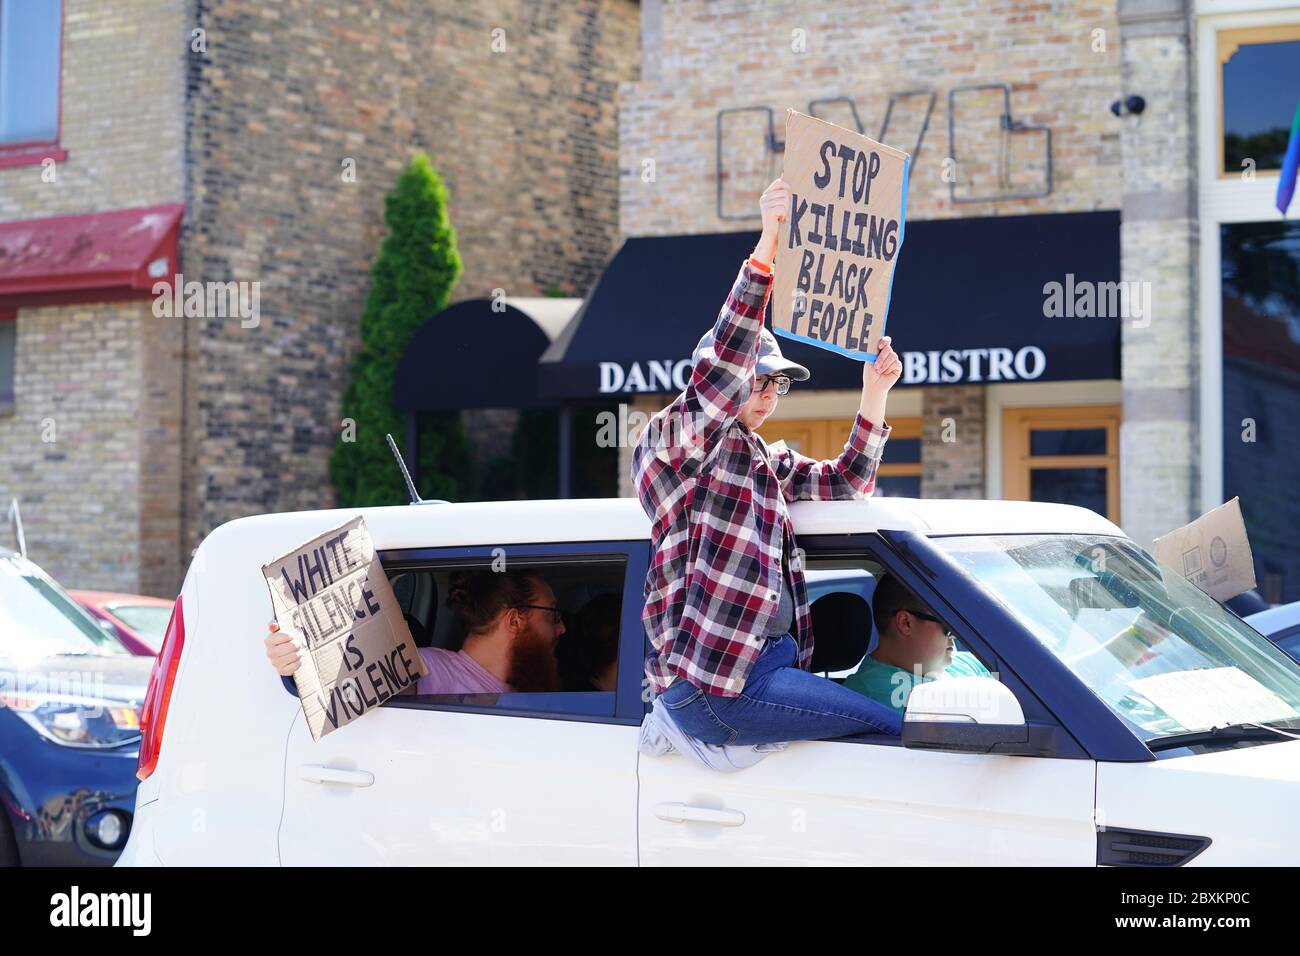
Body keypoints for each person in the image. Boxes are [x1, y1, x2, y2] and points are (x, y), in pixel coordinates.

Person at [633, 176, 905, 747]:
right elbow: (725, 367)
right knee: (892, 730)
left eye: (778, 384)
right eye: (759, 380)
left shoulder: (760, 457)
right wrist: (769, 244)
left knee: (886, 728)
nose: (766, 393)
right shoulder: (674, 439)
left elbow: (847, 484)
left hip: (768, 667)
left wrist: (874, 393)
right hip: (716, 683)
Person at [265, 569, 566, 696]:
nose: (562, 628)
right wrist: (296, 664)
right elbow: (353, 687)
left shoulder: (525, 689)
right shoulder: (426, 668)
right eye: (553, 616)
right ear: (514, 621)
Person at [843, 574, 991, 714]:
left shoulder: (957, 662)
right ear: (906, 623)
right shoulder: (880, 701)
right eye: (947, 624)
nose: (955, 634)